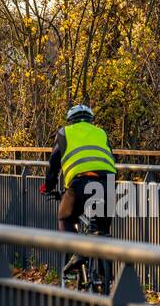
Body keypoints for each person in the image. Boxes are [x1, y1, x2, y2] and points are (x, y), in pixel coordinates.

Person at [40, 104, 117, 277]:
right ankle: (106, 278)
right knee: (101, 230)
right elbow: (111, 156)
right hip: (107, 182)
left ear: (70, 120)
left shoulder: (64, 133)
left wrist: (49, 186)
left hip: (80, 183)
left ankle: (76, 253)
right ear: (91, 120)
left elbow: (53, 164)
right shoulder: (101, 133)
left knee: (65, 217)